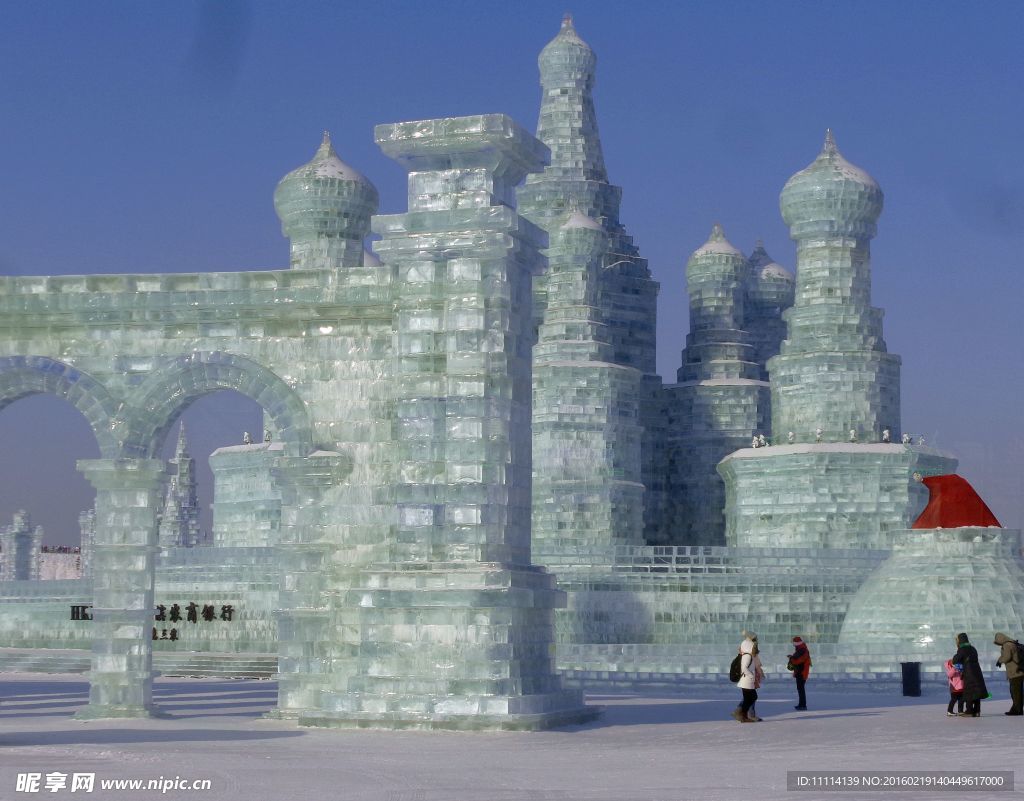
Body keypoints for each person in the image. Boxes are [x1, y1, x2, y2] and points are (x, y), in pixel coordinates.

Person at [952, 632, 988, 717]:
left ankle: (969, 711)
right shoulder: (972, 648)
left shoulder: (962, 649)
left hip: (969, 672)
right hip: (977, 671)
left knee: (969, 691)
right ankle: (977, 711)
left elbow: (956, 660)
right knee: (977, 691)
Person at [732, 631, 764, 722]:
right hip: (747, 680)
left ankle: (743, 714)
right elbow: (744, 668)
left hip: (749, 680)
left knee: (750, 698)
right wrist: (752, 676)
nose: (756, 646)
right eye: (754, 646)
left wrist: (759, 672)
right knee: (751, 697)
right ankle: (742, 713)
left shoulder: (750, 655)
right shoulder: (747, 656)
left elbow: (755, 664)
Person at [994, 632, 1023, 716]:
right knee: (1017, 692)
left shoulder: (1007, 645)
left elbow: (1007, 656)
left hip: (1015, 672)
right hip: (1018, 671)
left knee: (1015, 692)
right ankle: (1017, 709)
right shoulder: (1012, 643)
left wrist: (999, 661)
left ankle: (1017, 710)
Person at [788, 636, 812, 710]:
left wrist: (791, 658)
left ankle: (803, 705)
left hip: (802, 672)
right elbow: (798, 659)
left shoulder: (803, 650)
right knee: (800, 689)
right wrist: (791, 657)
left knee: (801, 689)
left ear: (797, 643)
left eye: (794, 643)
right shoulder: (800, 649)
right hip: (799, 672)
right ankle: (801, 704)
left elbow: (799, 660)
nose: (793, 644)